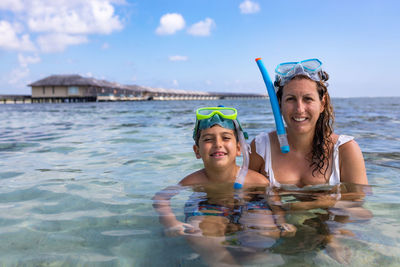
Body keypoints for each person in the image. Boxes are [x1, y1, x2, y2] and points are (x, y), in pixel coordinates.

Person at [249, 58, 370, 264]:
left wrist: (325, 224)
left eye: (308, 99)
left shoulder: (345, 149)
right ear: (279, 104)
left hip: (329, 230)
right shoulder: (260, 148)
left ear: (322, 104)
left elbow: (359, 205)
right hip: (278, 232)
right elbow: (245, 199)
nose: (299, 108)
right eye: (290, 99)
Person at [153, 106, 296, 266]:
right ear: (197, 150)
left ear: (239, 148)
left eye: (226, 138)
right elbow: (161, 198)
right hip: (209, 209)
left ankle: (253, 257)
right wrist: (171, 222)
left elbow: (273, 200)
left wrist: (281, 220)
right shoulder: (194, 180)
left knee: (265, 234)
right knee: (200, 237)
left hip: (250, 207)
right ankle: (222, 260)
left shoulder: (256, 180)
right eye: (208, 139)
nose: (217, 144)